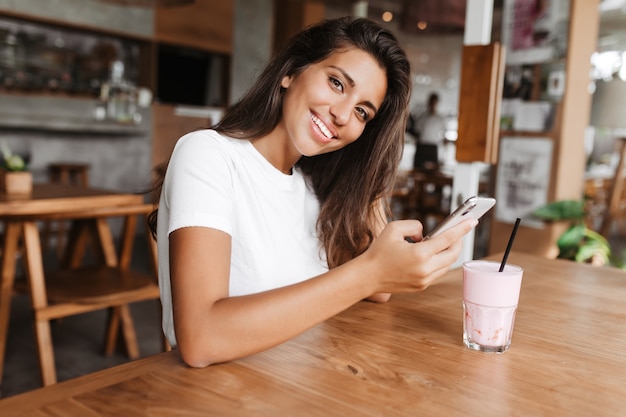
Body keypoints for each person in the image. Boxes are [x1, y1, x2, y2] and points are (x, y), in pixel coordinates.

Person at [147, 17, 477, 368]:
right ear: (290, 72)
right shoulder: (208, 154)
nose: (341, 115)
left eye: (363, 112)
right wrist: (370, 272)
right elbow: (201, 339)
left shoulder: (312, 188)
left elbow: (380, 293)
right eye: (336, 83)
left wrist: (366, 170)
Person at [412, 92, 446, 170]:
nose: (432, 105)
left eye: (434, 103)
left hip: (433, 148)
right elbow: (417, 133)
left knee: (432, 172)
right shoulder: (422, 117)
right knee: (418, 170)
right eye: (431, 102)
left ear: (437, 103)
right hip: (422, 147)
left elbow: (443, 137)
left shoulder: (440, 119)